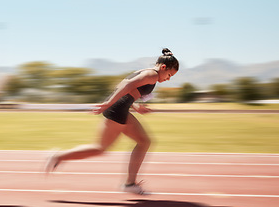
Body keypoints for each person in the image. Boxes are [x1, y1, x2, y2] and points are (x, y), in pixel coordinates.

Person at [45, 48, 179, 195]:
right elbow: (126, 86)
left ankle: (130, 184)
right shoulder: (152, 75)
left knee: (144, 141)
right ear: (163, 67)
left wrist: (135, 107)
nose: (168, 78)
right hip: (117, 110)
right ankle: (58, 156)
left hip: (121, 108)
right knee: (100, 148)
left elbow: (129, 88)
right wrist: (108, 103)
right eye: (169, 75)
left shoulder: (146, 72)